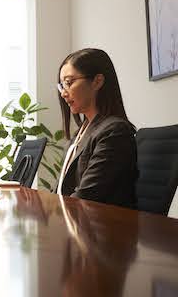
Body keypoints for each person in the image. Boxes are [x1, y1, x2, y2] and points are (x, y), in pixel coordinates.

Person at [56, 48, 137, 208]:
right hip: (75, 222)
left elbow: (85, 197)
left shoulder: (114, 132)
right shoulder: (79, 133)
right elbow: (60, 189)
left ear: (97, 81)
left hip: (100, 228)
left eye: (69, 83)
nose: (64, 93)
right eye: (62, 86)